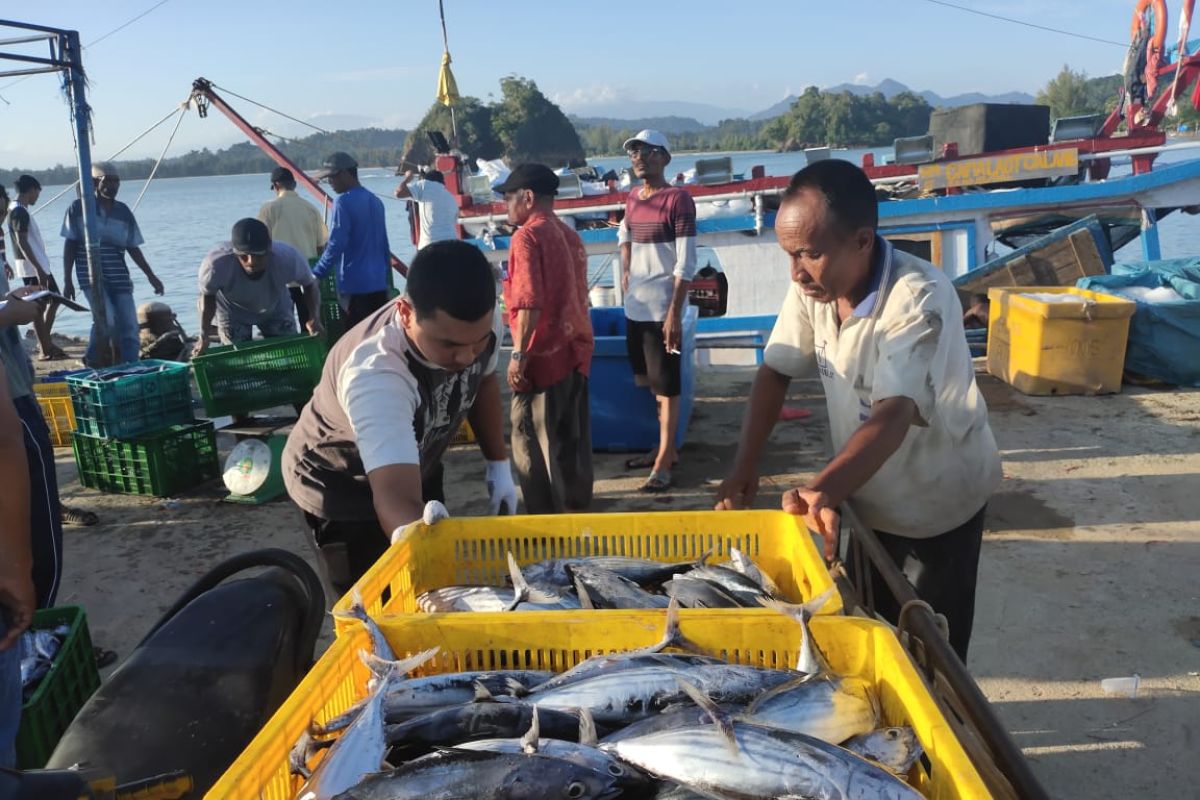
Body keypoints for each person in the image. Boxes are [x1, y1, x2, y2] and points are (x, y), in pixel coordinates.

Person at [715, 160, 1001, 662]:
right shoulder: (814, 286)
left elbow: (892, 417)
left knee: (935, 646)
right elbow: (776, 371)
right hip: (864, 496)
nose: (796, 271)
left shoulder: (919, 298)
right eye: (788, 255)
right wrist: (744, 466)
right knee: (869, 634)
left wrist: (822, 488)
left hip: (938, 502)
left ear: (863, 241)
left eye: (810, 253)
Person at [283, 240, 517, 598]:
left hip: (416, 455)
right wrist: (444, 579)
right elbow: (394, 496)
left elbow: (483, 379)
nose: (467, 355)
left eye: (478, 342)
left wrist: (498, 462)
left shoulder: (476, 319)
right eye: (450, 346)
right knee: (380, 603)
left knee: (433, 570)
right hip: (341, 483)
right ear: (405, 313)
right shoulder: (377, 375)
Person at [497, 163, 594, 514]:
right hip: (575, 353)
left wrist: (519, 355)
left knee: (534, 448)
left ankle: (548, 532)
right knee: (572, 447)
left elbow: (528, 303)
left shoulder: (527, 237)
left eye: (508, 198)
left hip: (543, 360)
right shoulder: (569, 236)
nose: (505, 206)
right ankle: (578, 518)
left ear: (528, 197)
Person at [617, 129, 697, 492]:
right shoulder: (633, 199)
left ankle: (665, 458)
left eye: (647, 152)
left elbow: (686, 262)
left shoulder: (678, 200)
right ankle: (665, 449)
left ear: (664, 157)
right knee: (651, 384)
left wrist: (673, 315)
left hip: (662, 311)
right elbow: (625, 237)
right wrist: (626, 274)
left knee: (667, 388)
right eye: (634, 152)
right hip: (635, 310)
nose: (638, 158)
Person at [0, 271, 63, 614]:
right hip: (12, 399)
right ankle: (39, 624)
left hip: (14, 388)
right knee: (38, 527)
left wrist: (11, 300)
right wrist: (10, 314)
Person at [62, 161, 165, 366]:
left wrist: (151, 276)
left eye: (117, 181)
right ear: (94, 183)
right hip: (91, 278)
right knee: (106, 321)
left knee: (129, 325)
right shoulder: (78, 209)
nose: (113, 185)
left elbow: (133, 247)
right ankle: (92, 359)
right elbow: (70, 245)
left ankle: (131, 366)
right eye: (107, 180)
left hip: (119, 278)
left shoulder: (123, 212)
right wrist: (67, 280)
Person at [194, 218, 322, 356]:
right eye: (243, 256)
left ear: (269, 249)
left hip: (275, 306)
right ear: (234, 252)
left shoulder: (288, 258)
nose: (251, 262)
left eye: (259, 255)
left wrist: (315, 317)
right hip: (232, 311)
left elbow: (309, 284)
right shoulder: (215, 265)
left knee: (288, 353)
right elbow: (207, 297)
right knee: (238, 357)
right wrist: (204, 334)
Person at [311, 152, 391, 328]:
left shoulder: (342, 202)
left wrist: (317, 273)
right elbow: (384, 246)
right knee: (378, 337)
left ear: (346, 174)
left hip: (355, 287)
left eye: (332, 177)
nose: (330, 182)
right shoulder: (376, 201)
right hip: (378, 284)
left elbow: (336, 244)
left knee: (356, 342)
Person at [258, 166, 329, 329]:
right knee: (311, 324)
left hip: (280, 279)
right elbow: (321, 246)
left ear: (276, 186)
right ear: (293, 185)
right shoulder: (311, 208)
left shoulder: (268, 209)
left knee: (283, 328)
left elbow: (260, 243)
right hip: (307, 277)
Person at [8, 176, 67, 360]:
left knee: (52, 300)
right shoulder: (19, 211)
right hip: (33, 266)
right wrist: (38, 269)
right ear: (31, 189)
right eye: (37, 193)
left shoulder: (14, 208)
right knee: (40, 306)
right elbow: (22, 241)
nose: (37, 197)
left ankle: (45, 343)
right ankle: (44, 347)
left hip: (35, 265)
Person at [394, 168, 458, 249]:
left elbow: (398, 193)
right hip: (453, 245)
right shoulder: (451, 197)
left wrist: (408, 178)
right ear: (442, 183)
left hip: (431, 246)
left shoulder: (425, 185)